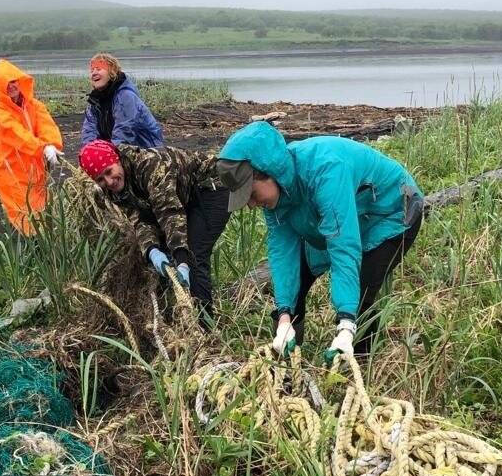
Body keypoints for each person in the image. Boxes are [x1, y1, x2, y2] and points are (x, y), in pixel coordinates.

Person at [216, 120, 424, 359]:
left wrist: (346, 324)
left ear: (270, 173)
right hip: (336, 217)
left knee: (362, 290)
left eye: (252, 194)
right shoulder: (275, 199)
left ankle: (357, 366)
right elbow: (282, 253)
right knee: (297, 283)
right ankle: (288, 355)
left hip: (392, 211)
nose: (252, 205)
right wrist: (284, 316)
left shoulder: (326, 170)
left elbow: (343, 246)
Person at [78, 139, 229, 322]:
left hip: (211, 186)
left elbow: (169, 212)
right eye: (100, 179)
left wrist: (182, 260)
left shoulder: (150, 165)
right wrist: (152, 250)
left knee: (193, 254)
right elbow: (141, 220)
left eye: (109, 172)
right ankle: (171, 315)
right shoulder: (113, 190)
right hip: (183, 195)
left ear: (117, 160)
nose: (109, 181)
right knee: (165, 253)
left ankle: (204, 326)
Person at [0, 58, 64, 235]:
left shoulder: (35, 106)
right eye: (6, 83)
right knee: (24, 214)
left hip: (35, 168)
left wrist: (51, 145)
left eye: (14, 81)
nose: (12, 86)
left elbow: (47, 126)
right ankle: (32, 247)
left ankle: (43, 247)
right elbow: (16, 134)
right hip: (10, 171)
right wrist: (42, 148)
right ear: (0, 87)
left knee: (43, 210)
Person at [80, 53, 164, 149]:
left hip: (145, 150)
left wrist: (111, 153)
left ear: (112, 72)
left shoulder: (125, 96)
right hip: (117, 147)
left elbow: (125, 130)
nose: (94, 73)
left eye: (99, 69)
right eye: (92, 70)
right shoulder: (95, 101)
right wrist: (89, 151)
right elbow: (89, 130)